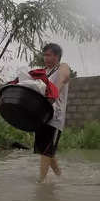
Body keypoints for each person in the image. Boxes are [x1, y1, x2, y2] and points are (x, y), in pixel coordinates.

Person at [35, 43, 71, 183]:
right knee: (47, 150)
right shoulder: (42, 72)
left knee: (46, 150)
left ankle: (40, 183)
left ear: (57, 56)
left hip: (55, 116)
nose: (46, 58)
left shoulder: (62, 67)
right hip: (42, 116)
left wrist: (54, 91)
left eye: (49, 55)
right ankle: (61, 177)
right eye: (44, 55)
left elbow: (64, 77)